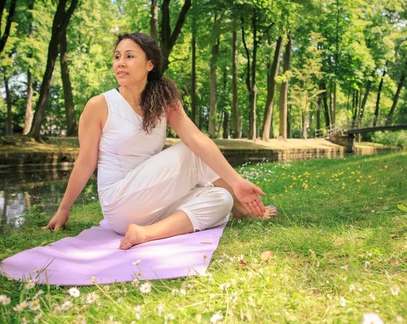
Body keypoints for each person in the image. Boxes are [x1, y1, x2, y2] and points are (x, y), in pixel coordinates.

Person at [43, 32, 277, 250]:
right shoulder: (100, 105)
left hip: (153, 202)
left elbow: (197, 136)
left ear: (149, 64)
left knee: (220, 198)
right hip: (119, 203)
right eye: (117, 57)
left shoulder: (164, 102)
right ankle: (241, 209)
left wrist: (233, 184)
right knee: (191, 150)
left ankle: (144, 234)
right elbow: (85, 162)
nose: (120, 62)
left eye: (129, 56)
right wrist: (64, 210)